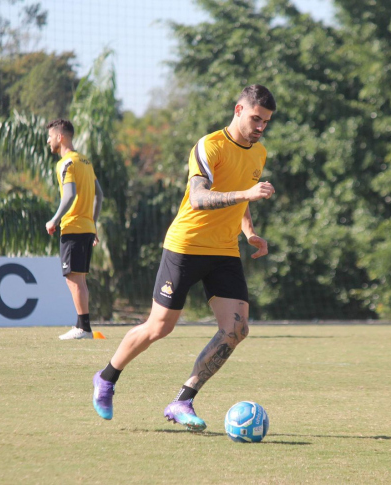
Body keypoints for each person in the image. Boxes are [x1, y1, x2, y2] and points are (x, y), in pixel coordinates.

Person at [92, 84, 277, 430]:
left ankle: (183, 400)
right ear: (238, 110)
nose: (260, 127)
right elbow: (198, 198)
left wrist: (249, 232)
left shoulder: (259, 153)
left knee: (236, 329)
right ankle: (106, 378)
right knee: (159, 327)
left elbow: (242, 201)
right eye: (256, 118)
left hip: (224, 250)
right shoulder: (210, 146)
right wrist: (247, 193)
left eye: (266, 122)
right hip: (186, 245)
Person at [45, 119, 104, 340]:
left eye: (50, 136)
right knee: (77, 278)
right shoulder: (85, 162)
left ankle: (84, 328)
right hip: (86, 227)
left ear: (60, 137)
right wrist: (93, 223)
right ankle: (82, 325)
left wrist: (54, 219)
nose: (48, 140)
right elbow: (100, 195)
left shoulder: (66, 163)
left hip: (73, 227)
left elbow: (69, 195)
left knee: (73, 278)